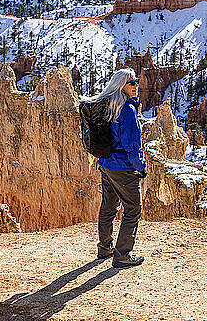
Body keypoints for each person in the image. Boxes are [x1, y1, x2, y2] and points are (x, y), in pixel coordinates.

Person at [81, 68, 147, 268]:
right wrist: (140, 167)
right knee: (133, 208)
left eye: (136, 82)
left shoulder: (108, 105)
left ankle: (105, 248)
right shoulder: (126, 109)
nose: (137, 86)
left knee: (109, 206)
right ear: (121, 85)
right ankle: (122, 256)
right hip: (122, 167)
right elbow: (132, 145)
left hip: (106, 164)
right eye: (132, 83)